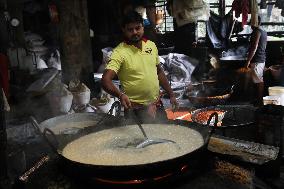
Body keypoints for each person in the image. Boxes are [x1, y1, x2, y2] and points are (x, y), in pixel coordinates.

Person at [102, 11, 178, 123]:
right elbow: (105, 80)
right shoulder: (119, 52)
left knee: (164, 135)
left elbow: (159, 72)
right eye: (130, 29)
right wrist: (120, 95)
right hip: (135, 110)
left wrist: (171, 94)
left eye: (138, 28)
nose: (135, 32)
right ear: (123, 30)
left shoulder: (151, 45)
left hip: (156, 105)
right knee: (138, 139)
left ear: (143, 27)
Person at [244, 16, 267, 106]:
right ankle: (258, 100)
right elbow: (264, 47)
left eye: (251, 22)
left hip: (257, 60)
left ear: (254, 22)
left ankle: (260, 102)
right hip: (261, 59)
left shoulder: (256, 32)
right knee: (258, 80)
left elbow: (254, 48)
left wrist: (248, 61)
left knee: (259, 81)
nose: (250, 24)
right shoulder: (264, 31)